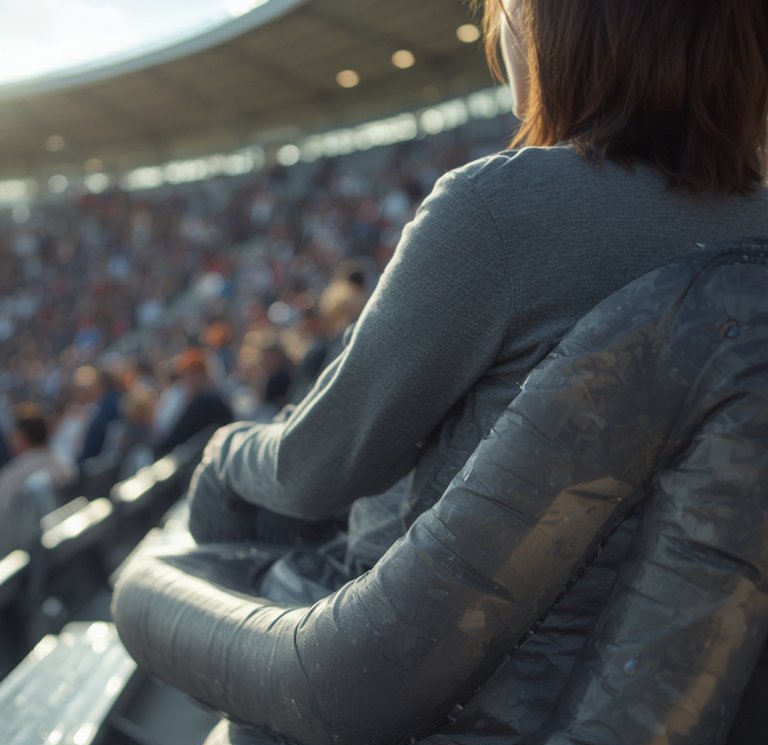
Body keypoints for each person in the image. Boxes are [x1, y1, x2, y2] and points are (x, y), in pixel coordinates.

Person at [187, 0, 768, 594]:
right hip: (653, 653)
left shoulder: (497, 208)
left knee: (219, 491)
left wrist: (227, 449)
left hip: (433, 639)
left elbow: (314, 470)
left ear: (561, 27)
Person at [0, 403, 76, 555]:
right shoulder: (66, 466)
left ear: (20, 436)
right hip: (61, 551)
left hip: (21, 560)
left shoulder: (12, 478)